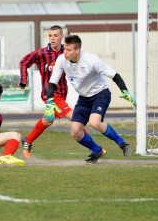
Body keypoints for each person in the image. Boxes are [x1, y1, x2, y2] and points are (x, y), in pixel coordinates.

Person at [45, 35, 136, 163]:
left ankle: (122, 144)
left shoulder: (91, 60)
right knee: (75, 132)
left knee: (95, 122)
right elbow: (52, 83)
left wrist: (124, 91)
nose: (65, 52)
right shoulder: (61, 60)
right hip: (83, 98)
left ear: (77, 50)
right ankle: (97, 150)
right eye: (64, 48)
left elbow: (114, 75)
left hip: (101, 94)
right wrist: (49, 101)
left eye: (68, 50)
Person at [19, 25, 86, 159]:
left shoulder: (66, 53)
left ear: (62, 37)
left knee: (48, 120)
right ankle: (96, 148)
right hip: (49, 94)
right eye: (50, 35)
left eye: (55, 35)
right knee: (75, 117)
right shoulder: (41, 53)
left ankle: (27, 141)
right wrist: (23, 80)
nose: (52, 38)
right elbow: (24, 61)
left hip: (62, 93)